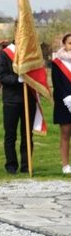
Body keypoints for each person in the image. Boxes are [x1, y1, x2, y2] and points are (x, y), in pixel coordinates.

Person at [0, 41, 36, 174]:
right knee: (10, 135)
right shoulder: (5, 53)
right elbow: (1, 77)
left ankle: (26, 165)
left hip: (29, 100)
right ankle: (11, 165)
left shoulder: (31, 53)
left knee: (27, 135)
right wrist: (17, 79)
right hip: (11, 100)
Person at [51, 33, 71, 175]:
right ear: (64, 44)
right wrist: (67, 98)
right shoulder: (57, 63)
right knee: (65, 133)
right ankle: (65, 165)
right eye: (70, 43)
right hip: (64, 103)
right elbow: (57, 84)